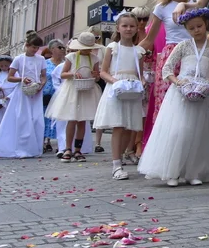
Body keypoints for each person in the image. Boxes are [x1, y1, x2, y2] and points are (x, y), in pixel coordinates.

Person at [138, 7, 209, 187]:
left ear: (205, 24)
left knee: (199, 133)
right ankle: (172, 171)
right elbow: (167, 68)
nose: (196, 30)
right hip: (181, 95)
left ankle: (193, 171)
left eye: (199, 26)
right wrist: (177, 81)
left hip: (203, 94)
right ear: (187, 30)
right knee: (179, 131)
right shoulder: (183, 46)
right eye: (191, 28)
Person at [139, 0, 196, 146]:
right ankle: (163, 148)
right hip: (170, 56)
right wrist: (127, 53)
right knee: (165, 103)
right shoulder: (162, 8)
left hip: (193, 55)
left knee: (191, 101)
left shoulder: (195, 4)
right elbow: (149, 39)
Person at [93, 13, 148, 181]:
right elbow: (103, 71)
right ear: (118, 28)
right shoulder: (113, 48)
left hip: (131, 89)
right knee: (118, 126)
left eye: (132, 26)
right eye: (125, 26)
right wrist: (115, 81)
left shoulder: (138, 51)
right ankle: (116, 164)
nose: (128, 29)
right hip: (116, 88)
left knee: (128, 127)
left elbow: (140, 72)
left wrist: (143, 81)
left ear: (136, 28)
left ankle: (121, 158)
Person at [45, 32, 103, 162]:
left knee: (82, 120)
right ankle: (67, 148)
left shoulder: (94, 59)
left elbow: (97, 77)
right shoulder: (71, 57)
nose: (87, 51)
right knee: (72, 119)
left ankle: (78, 149)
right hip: (72, 90)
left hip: (87, 90)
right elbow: (63, 74)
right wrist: (72, 74)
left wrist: (95, 75)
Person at [0, 35, 47, 158]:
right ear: (27, 46)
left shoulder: (41, 59)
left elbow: (43, 76)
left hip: (35, 91)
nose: (35, 50)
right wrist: (21, 79)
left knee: (36, 118)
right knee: (23, 118)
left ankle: (35, 147)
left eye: (37, 47)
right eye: (32, 47)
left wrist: (41, 85)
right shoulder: (19, 59)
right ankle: (21, 147)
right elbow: (10, 77)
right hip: (22, 91)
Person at [129, 6, 154, 160]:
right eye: (139, 19)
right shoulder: (129, 37)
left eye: (145, 18)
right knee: (135, 113)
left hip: (151, 75)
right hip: (135, 76)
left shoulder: (150, 34)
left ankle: (140, 144)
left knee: (146, 113)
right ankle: (132, 146)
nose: (142, 22)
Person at [42, 41, 65, 154]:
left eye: (63, 47)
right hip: (46, 94)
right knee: (45, 117)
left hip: (60, 95)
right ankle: (44, 141)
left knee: (57, 119)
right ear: (52, 49)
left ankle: (59, 143)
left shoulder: (66, 63)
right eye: (59, 47)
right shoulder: (45, 63)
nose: (62, 49)